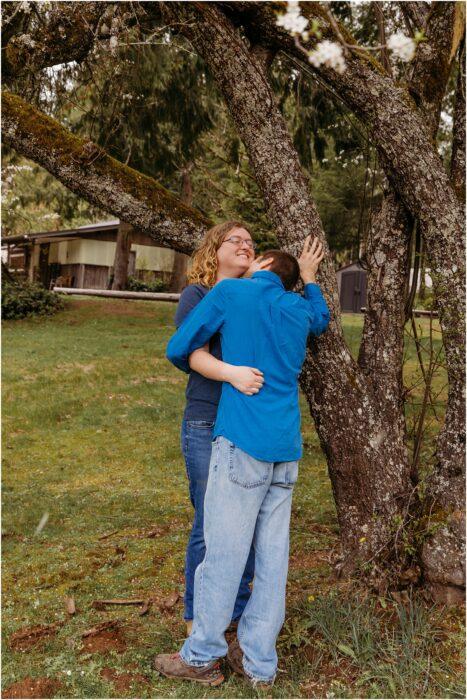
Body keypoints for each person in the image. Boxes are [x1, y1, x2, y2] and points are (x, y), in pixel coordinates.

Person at [154, 236, 330, 687]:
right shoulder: (298, 309)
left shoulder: (230, 293)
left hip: (243, 441)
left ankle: (202, 655)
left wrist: (225, 368)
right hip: (285, 449)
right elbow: (323, 319)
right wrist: (310, 280)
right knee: (272, 561)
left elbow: (180, 346)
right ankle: (259, 665)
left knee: (224, 553)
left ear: (266, 263)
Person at [173, 221, 273, 635]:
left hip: (245, 422)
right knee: (210, 521)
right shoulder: (196, 294)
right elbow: (189, 349)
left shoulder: (252, 296)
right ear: (214, 249)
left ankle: (236, 614)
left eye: (251, 242)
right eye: (237, 240)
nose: (246, 246)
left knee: (244, 520)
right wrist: (232, 373)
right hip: (205, 417)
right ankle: (201, 617)